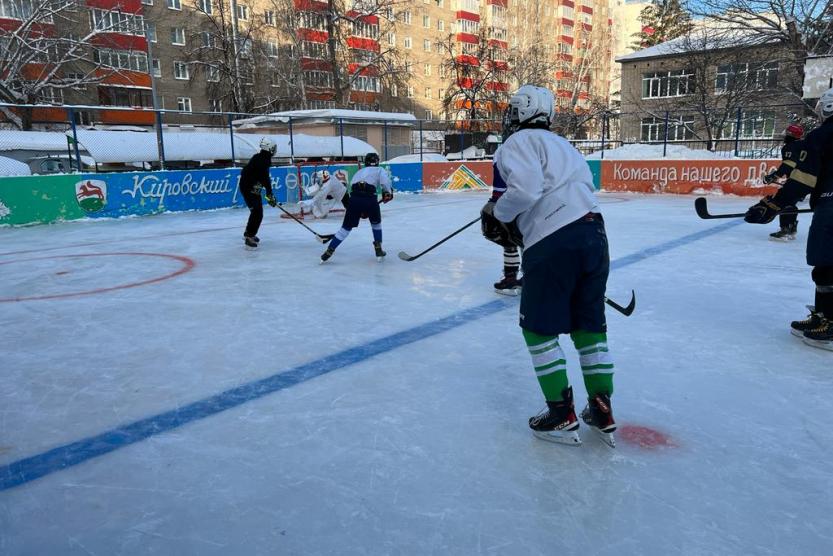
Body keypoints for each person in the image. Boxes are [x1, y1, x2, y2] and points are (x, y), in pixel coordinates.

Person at [481, 84, 617, 446]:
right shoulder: (564, 146)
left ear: (520, 113)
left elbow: (524, 190)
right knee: (589, 326)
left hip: (554, 239)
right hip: (595, 235)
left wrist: (499, 212)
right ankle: (601, 408)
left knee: (539, 330)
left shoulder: (517, 143)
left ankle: (561, 413)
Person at [744, 87, 833, 350]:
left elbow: (804, 178)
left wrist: (772, 204)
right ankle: (823, 315)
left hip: (831, 205)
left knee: (825, 261)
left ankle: (829, 321)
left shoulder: (823, 136)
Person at [320, 152, 393, 263]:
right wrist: (388, 193)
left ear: (366, 162)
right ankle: (378, 248)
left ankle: (329, 251)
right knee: (376, 223)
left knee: (345, 228)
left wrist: (359, 209)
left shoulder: (359, 172)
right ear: (377, 162)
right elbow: (386, 183)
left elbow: (353, 188)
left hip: (354, 200)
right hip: (370, 199)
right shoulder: (380, 170)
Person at [483, 161, 523, 296]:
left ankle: (511, 280)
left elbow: (500, 188)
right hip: (531, 204)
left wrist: (494, 203)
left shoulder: (503, 154)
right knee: (527, 241)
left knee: (509, 241)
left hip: (509, 205)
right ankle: (529, 278)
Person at [763, 123, 805, 241]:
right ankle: (791, 227)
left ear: (791, 135)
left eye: (787, 133)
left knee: (782, 200)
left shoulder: (790, 147)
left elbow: (788, 165)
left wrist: (774, 176)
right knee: (790, 201)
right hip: (808, 180)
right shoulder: (804, 145)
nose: (785, 136)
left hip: (798, 179)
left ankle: (786, 229)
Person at [239, 137, 277, 249]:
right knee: (257, 212)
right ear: (268, 148)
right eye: (273, 148)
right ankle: (249, 236)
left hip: (253, 188)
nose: (274, 150)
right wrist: (269, 194)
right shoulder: (262, 160)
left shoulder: (262, 158)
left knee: (257, 212)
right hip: (248, 188)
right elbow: (264, 178)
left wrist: (269, 194)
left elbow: (263, 178)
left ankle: (249, 233)